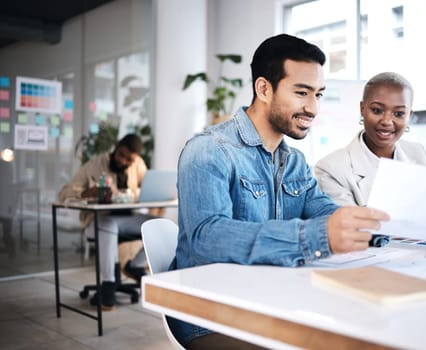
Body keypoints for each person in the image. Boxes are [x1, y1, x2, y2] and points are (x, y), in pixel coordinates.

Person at [170, 34, 389, 349]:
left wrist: (367, 225)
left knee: (364, 329)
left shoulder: (294, 161)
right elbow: (207, 238)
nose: (312, 108)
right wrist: (315, 236)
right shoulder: (208, 151)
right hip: (209, 315)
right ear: (263, 89)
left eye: (318, 94)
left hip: (271, 300)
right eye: (301, 92)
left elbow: (324, 212)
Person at [58, 133, 155, 310]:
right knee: (108, 225)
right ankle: (108, 284)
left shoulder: (138, 164)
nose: (124, 161)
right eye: (121, 155)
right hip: (97, 222)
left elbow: (148, 186)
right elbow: (64, 192)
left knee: (157, 225)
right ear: (116, 146)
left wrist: (136, 194)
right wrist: (86, 193)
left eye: (129, 160)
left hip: (126, 220)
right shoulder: (95, 165)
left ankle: (134, 266)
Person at [314, 72, 426, 208]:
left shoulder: (418, 152)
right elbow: (350, 226)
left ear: (409, 116)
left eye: (399, 114)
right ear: (362, 109)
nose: (386, 121)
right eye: (377, 110)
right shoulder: (331, 169)